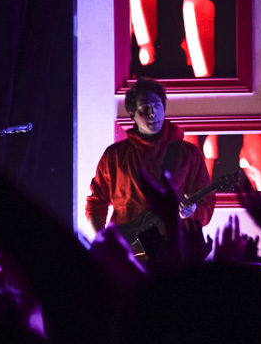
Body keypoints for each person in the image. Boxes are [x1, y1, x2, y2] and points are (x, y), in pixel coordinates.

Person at [85, 78, 215, 245]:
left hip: (173, 251)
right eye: (144, 108)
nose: (153, 113)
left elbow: (207, 205)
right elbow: (96, 202)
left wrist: (193, 212)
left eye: (157, 106)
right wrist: (102, 240)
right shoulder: (114, 155)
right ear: (131, 113)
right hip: (126, 251)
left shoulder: (189, 154)